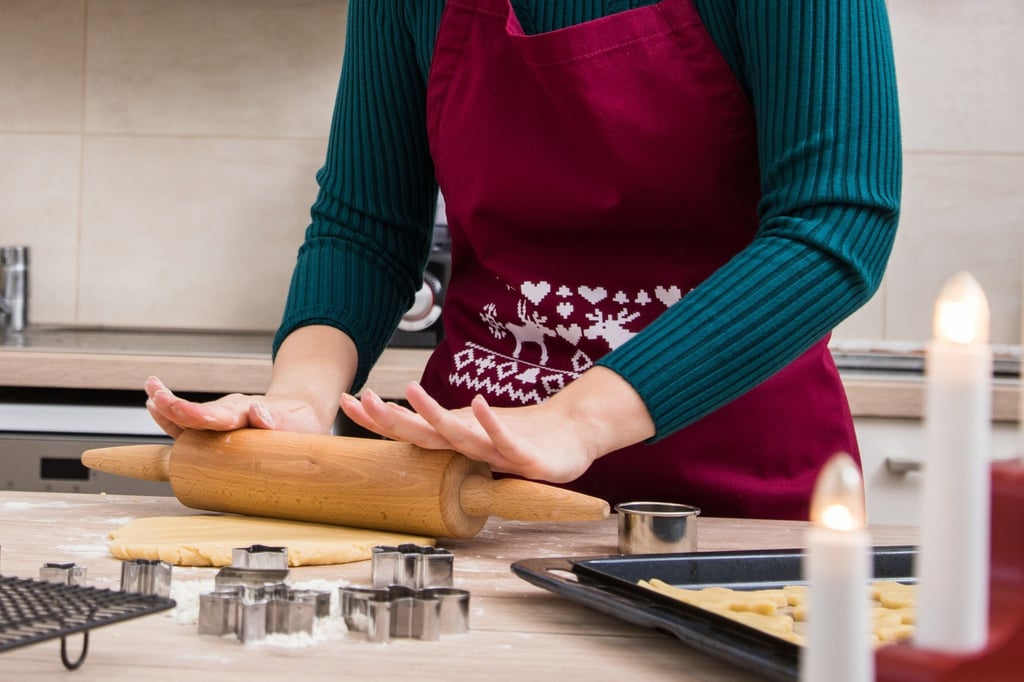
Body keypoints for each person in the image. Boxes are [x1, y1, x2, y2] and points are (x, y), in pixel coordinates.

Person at [146, 0, 901, 521]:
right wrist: (300, 400)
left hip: (730, 507)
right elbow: (365, 226)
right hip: (465, 499)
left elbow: (834, 222)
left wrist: (575, 420)